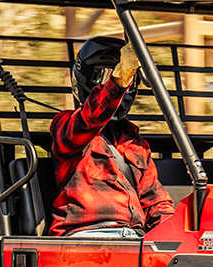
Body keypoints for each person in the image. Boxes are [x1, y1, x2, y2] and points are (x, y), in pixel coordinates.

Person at [48, 36, 175, 237]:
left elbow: (156, 201)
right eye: (104, 76)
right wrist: (117, 81)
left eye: (128, 78)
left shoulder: (136, 142)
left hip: (134, 238)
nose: (122, 86)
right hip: (86, 234)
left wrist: (175, 235)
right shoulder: (67, 126)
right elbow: (90, 119)